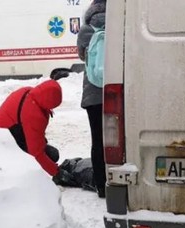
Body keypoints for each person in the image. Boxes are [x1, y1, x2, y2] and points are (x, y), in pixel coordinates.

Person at [0, 69, 73, 184]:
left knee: (50, 153)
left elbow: (35, 137)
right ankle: (21, 173)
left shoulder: (28, 91)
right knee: (51, 155)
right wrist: (56, 172)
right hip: (2, 146)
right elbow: (36, 152)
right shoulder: (33, 114)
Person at [77, 0, 107, 198]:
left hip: (93, 93)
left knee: (97, 140)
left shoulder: (86, 29)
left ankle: (101, 186)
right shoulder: (120, 24)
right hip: (118, 89)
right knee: (119, 138)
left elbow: (82, 57)